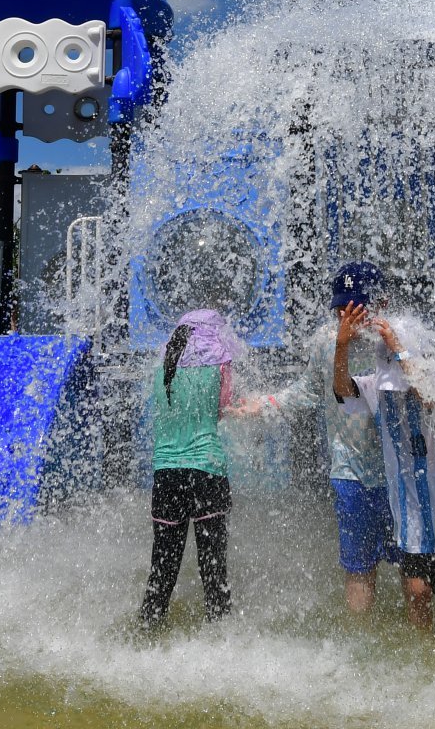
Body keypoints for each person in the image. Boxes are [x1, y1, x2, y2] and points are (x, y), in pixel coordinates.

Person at [238, 261, 400, 614]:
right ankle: (361, 644)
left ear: (380, 304)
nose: (346, 316)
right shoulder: (328, 342)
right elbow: (309, 391)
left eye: (354, 308)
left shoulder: (394, 339)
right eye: (341, 308)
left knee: (413, 571)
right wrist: (266, 404)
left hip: (399, 472)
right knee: (359, 569)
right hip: (351, 473)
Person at [332, 301, 435, 639]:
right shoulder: (377, 387)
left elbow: (428, 397)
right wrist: (342, 344)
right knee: (417, 590)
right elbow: (343, 390)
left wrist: (399, 350)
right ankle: (425, 655)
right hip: (412, 509)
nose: (395, 394)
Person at [140, 309, 240, 629]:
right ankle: (222, 644)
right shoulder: (219, 364)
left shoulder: (162, 367)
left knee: (162, 568)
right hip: (207, 471)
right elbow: (223, 408)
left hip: (166, 473)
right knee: (214, 571)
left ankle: (146, 634)